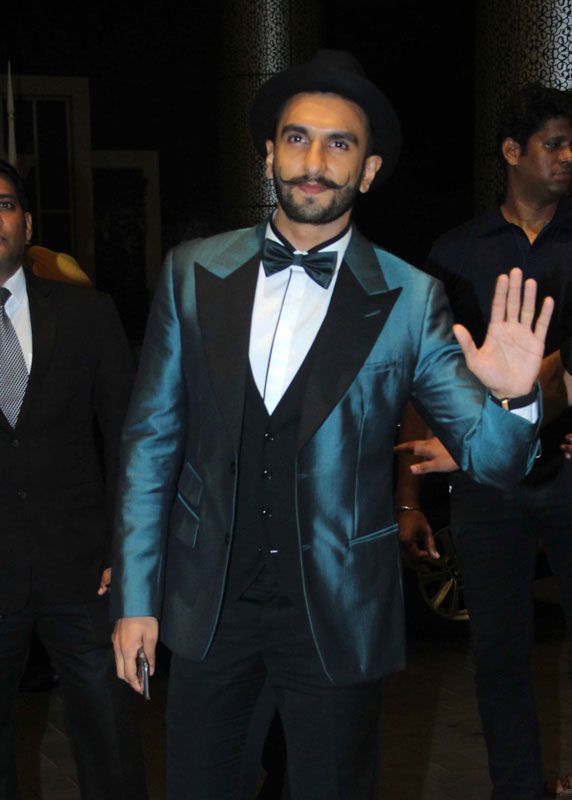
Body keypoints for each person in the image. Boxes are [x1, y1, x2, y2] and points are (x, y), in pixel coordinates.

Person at [111, 51, 551, 800]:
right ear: (269, 154)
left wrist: (513, 400)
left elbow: (495, 461)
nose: (314, 162)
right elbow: (150, 444)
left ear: (369, 171)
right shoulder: (191, 272)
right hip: (208, 605)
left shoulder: (411, 298)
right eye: (297, 138)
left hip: (338, 611)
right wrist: (135, 598)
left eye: (339, 144)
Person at [397, 84, 572, 800]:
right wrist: (409, 499)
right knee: (497, 654)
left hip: (567, 472)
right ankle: (517, 789)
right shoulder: (454, 251)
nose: (568, 156)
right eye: (554, 144)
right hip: (483, 482)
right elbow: (424, 378)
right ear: (511, 152)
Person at [0, 160, 148, 800]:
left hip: (84, 569)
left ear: (28, 223)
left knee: (112, 742)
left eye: (4, 204)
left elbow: (128, 438)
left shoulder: (89, 313)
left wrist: (126, 547)